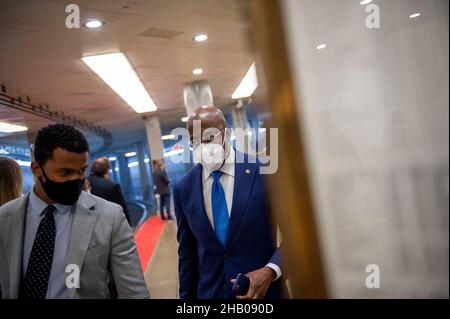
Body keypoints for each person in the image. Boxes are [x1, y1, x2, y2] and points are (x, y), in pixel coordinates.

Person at [0, 123, 149, 299]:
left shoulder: (110, 216)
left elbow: (134, 292)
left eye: (81, 171)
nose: (75, 180)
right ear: (37, 169)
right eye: (64, 172)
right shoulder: (5, 218)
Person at [174, 105, 284, 299]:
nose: (203, 147)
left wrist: (270, 271)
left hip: (263, 295)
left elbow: (295, 235)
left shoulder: (264, 172)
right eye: (194, 142)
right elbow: (187, 257)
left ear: (228, 134)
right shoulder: (184, 189)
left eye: (210, 138)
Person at [88, 157, 131, 225]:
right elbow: (122, 212)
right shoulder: (112, 186)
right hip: (108, 227)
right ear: (107, 171)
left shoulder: (83, 185)